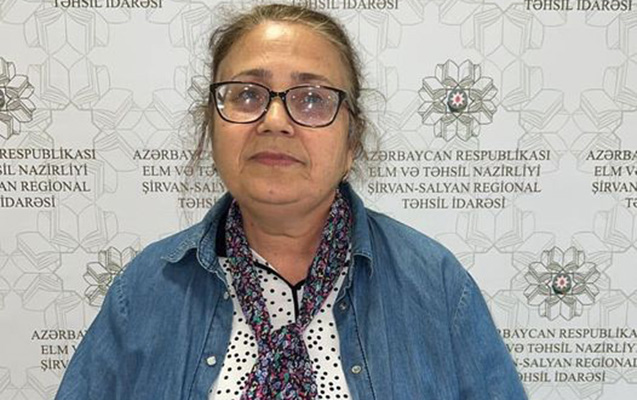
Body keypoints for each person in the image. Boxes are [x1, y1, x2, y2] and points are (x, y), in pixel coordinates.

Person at [55, 3, 527, 400]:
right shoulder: (147, 288)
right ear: (211, 128)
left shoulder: (435, 286)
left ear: (352, 142)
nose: (275, 120)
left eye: (312, 99)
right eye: (246, 95)